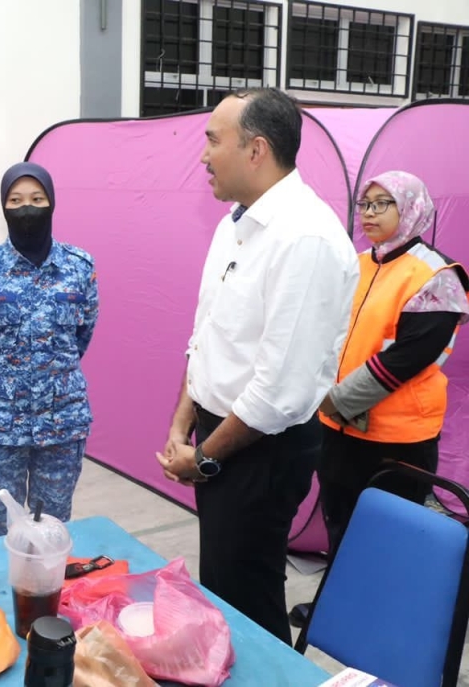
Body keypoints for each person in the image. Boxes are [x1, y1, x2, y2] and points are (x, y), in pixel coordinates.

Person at [155, 88, 360, 645]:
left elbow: (276, 393)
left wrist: (203, 459)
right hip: (220, 437)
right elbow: (208, 336)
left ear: (256, 150)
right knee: (222, 589)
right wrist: (181, 424)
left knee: (247, 603)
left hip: (260, 450)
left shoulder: (306, 239)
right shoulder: (235, 223)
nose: (203, 156)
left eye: (212, 141)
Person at [288, 171, 469, 628]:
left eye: (381, 203)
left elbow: (407, 358)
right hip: (339, 429)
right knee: (340, 521)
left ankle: (380, 625)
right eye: (364, 204)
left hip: (398, 436)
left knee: (389, 535)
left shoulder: (437, 276)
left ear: (411, 209)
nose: (368, 214)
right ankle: (337, 608)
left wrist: (330, 401)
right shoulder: (358, 263)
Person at [0, 161, 99, 539]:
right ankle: (1, 581)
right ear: (3, 206)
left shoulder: (79, 267)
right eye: (16, 200)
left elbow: (82, 334)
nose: (27, 208)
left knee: (52, 526)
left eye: (37, 199)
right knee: (2, 524)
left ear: (52, 203)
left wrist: (51, 373)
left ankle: (45, 581)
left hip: (62, 419)